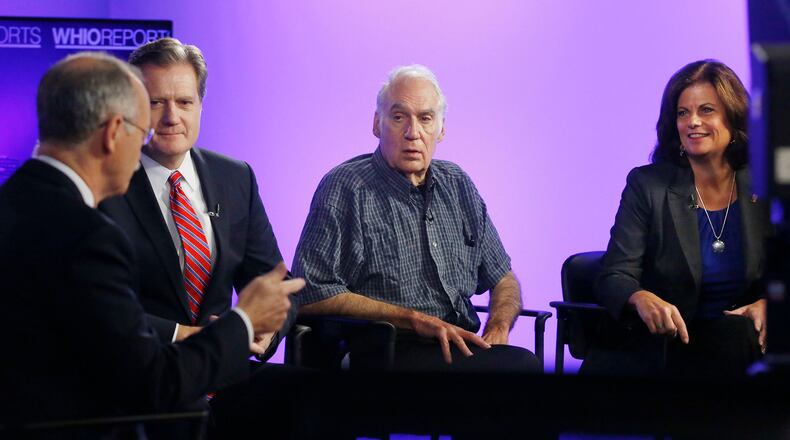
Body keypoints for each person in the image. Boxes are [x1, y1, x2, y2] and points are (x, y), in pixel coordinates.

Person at [0, 52, 303, 437]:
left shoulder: (17, 200)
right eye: (146, 118)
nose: (163, 123)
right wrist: (242, 322)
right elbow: (153, 382)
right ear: (114, 132)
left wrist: (260, 326)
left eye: (184, 102)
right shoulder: (86, 231)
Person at [292, 64, 541, 372]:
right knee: (518, 370)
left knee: (521, 368)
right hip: (386, 349)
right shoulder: (345, 188)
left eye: (425, 118)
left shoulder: (458, 184)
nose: (413, 133)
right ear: (376, 124)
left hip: (458, 346)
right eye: (399, 117)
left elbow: (503, 278)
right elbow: (310, 293)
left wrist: (499, 325)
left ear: (442, 128)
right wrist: (411, 319)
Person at [99, 38, 289, 360]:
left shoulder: (235, 176)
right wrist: (188, 337)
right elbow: (95, 303)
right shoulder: (103, 183)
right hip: (137, 372)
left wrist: (266, 331)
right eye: (156, 102)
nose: (172, 117)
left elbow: (274, 280)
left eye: (184, 102)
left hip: (222, 375)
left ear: (200, 104)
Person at [590, 59, 769, 376]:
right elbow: (614, 274)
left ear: (733, 115)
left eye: (707, 110)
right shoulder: (648, 185)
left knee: (744, 336)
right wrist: (640, 297)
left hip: (744, 340)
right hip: (671, 342)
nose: (693, 122)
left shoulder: (763, 184)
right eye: (683, 113)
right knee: (737, 340)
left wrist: (772, 305)